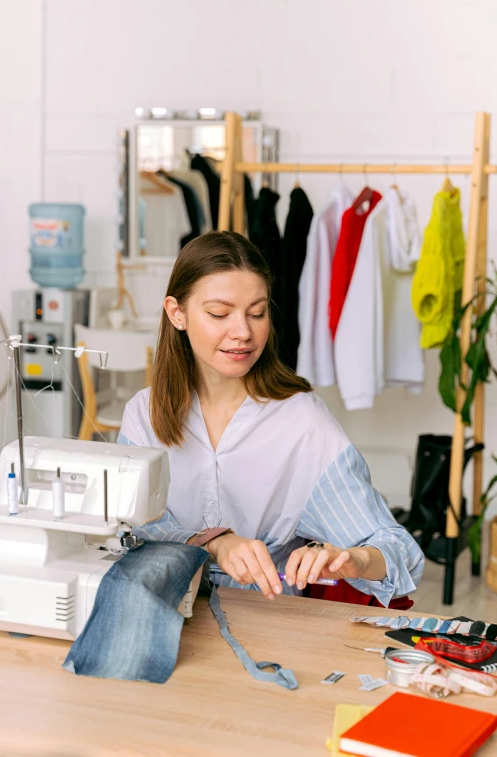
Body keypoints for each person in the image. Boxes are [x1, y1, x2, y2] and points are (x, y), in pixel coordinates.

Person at [118, 231, 424, 605]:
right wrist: (215, 542)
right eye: (219, 313)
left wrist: (353, 560)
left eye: (257, 313)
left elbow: (397, 550)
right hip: (156, 610)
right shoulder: (143, 415)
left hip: (266, 624)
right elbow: (127, 530)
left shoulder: (302, 422)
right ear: (176, 313)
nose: (243, 332)